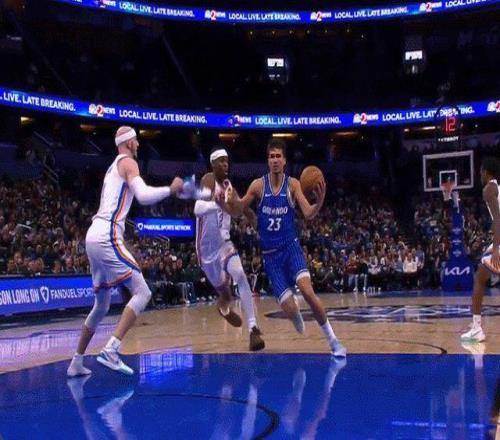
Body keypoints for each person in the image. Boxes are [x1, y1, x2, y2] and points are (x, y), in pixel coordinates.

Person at [67, 126, 201, 377]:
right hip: (107, 233)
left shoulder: (113, 167)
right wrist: (170, 189)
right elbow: (143, 195)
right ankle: (111, 349)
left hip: (93, 235)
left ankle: (76, 362)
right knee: (143, 291)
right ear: (128, 142)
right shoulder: (128, 162)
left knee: (101, 306)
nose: (139, 144)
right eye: (136, 141)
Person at [229, 139, 346, 357]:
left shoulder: (293, 185)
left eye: (278, 156)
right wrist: (230, 201)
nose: (275, 160)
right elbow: (238, 210)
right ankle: (294, 315)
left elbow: (308, 213)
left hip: (290, 249)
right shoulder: (257, 186)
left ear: (284, 161)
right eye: (271, 156)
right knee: (290, 308)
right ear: (268, 160)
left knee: (308, 292)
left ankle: (334, 341)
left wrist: (319, 201)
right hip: (271, 257)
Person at [194, 147, 265, 351]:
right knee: (225, 295)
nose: (226, 164)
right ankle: (224, 308)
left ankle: (253, 329)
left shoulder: (228, 186)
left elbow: (238, 208)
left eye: (227, 161)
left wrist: (251, 215)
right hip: (205, 251)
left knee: (240, 275)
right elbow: (197, 209)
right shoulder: (208, 180)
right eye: (222, 161)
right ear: (213, 164)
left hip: (223, 244)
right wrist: (218, 204)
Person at [461, 157, 500, 343]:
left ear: (486, 172)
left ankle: (477, 329)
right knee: (481, 276)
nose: (479, 175)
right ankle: (476, 328)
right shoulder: (497, 188)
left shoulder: (488, 189)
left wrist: (496, 248)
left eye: (481, 171)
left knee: (479, 278)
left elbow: (498, 219)